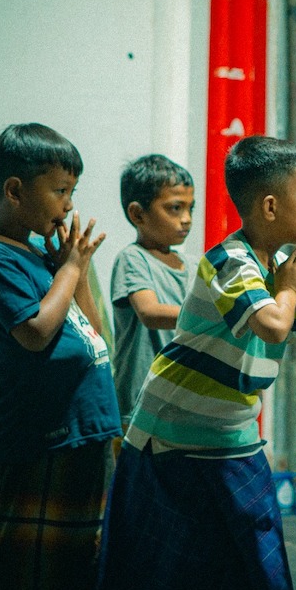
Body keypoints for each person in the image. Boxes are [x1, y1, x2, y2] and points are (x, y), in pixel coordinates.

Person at [80, 136, 296, 590]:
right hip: (171, 439)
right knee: (155, 580)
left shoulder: (281, 272)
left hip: (230, 437)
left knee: (258, 580)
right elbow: (270, 324)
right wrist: (290, 291)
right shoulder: (230, 261)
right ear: (270, 206)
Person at [0, 122, 120, 590]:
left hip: (81, 436)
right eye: (59, 191)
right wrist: (70, 269)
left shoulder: (42, 259)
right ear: (14, 190)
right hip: (37, 442)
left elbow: (92, 334)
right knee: (23, 586)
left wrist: (74, 270)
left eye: (71, 191)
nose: (68, 206)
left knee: (73, 580)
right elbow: (34, 331)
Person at [110, 154, 195, 426]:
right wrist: (218, 314)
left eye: (190, 209)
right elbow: (150, 312)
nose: (186, 219)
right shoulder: (133, 259)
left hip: (184, 405)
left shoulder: (194, 265)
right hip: (142, 408)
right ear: (138, 214)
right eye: (175, 208)